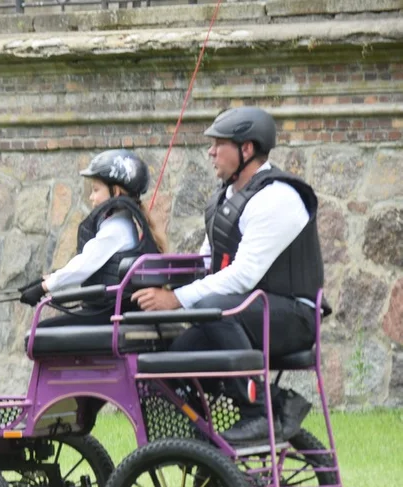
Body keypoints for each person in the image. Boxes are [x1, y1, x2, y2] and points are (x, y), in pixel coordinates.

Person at [131, 107, 322, 444]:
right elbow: (205, 263)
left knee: (215, 307)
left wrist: (174, 300)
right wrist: (155, 277)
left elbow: (242, 276)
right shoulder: (227, 199)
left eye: (219, 144)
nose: (211, 151)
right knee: (168, 365)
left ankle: (263, 411)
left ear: (246, 149)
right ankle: (207, 448)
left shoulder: (277, 197)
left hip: (293, 316)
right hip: (245, 315)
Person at [20, 149, 167, 327]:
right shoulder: (121, 223)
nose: (91, 197)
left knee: (40, 332)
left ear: (117, 191)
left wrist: (44, 288)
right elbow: (93, 262)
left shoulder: (117, 228)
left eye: (96, 190)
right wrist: (49, 279)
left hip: (110, 312)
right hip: (111, 308)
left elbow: (84, 265)